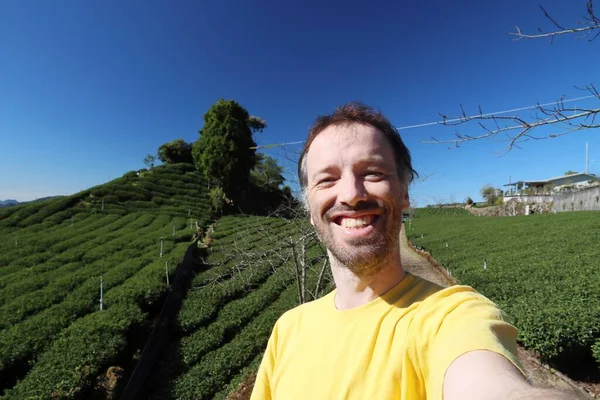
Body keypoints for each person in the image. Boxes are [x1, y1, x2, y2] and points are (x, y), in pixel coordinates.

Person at [250, 103, 581, 400]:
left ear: (403, 194)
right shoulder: (287, 329)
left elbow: (490, 385)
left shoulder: (452, 316)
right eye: (327, 180)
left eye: (374, 173)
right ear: (310, 208)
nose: (351, 194)